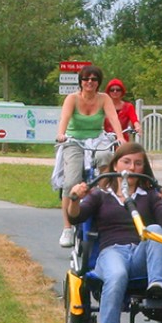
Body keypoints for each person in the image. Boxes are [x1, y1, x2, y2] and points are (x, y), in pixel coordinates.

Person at [67, 142, 162, 323]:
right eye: (126, 162)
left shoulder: (150, 195)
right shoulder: (100, 194)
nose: (132, 167)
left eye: (138, 163)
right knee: (117, 275)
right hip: (111, 253)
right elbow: (76, 217)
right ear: (115, 165)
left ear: (143, 168)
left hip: (140, 254)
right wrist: (74, 198)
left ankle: (157, 288)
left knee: (154, 230)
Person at [56, 65, 126, 248]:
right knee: (71, 182)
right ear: (81, 81)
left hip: (98, 138)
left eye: (94, 79)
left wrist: (120, 137)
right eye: (86, 79)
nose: (90, 82)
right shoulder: (72, 98)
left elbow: (113, 118)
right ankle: (67, 227)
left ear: (98, 83)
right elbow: (64, 118)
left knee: (105, 158)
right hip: (74, 140)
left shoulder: (104, 98)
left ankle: (101, 200)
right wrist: (61, 134)